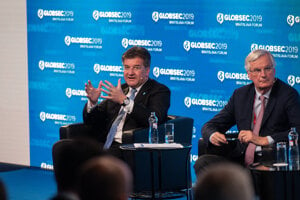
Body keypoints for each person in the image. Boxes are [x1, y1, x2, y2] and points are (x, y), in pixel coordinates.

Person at [197, 49, 300, 168]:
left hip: (269, 161)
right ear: (249, 74)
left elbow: (298, 129)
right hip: (240, 159)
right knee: (203, 163)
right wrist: (212, 135)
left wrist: (265, 140)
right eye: (257, 70)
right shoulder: (240, 95)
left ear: (274, 70)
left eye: (267, 68)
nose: (263, 75)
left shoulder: (288, 95)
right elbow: (210, 125)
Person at [83, 46, 170, 157]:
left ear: (147, 70)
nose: (130, 73)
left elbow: (154, 120)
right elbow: (93, 122)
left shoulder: (159, 91)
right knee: (66, 149)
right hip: (105, 145)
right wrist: (93, 103)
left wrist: (125, 101)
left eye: (136, 68)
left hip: (129, 149)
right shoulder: (120, 89)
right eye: (127, 67)